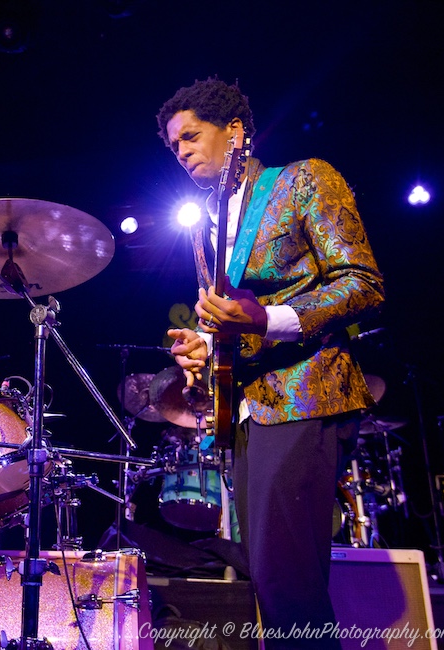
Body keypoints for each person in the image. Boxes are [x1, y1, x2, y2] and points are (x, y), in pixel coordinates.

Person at [156, 78, 385, 647]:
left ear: (233, 131)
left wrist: (266, 320)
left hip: (308, 393)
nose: (181, 152)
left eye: (190, 136)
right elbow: (231, 320)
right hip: (250, 412)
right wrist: (205, 347)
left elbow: (362, 282)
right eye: (173, 146)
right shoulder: (206, 225)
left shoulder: (303, 179)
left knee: (287, 582)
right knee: (272, 579)